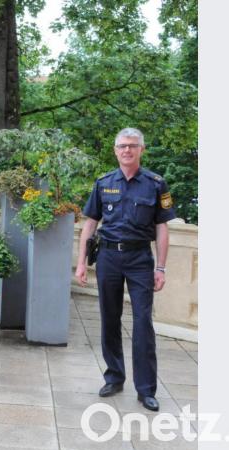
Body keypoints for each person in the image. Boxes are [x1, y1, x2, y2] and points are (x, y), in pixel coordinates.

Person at [74, 128, 176, 412]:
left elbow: (162, 228)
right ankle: (114, 377)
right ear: (115, 150)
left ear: (142, 149)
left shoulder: (156, 184)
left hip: (140, 259)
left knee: (143, 323)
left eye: (132, 146)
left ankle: (146, 390)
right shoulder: (103, 183)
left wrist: (161, 267)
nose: (127, 150)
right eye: (122, 146)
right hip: (108, 257)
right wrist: (82, 262)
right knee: (109, 318)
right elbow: (90, 224)